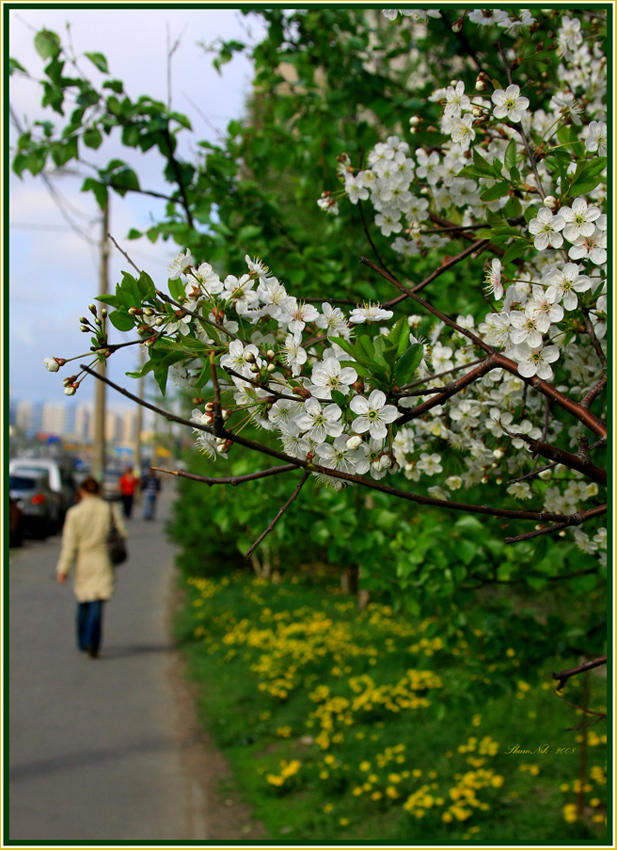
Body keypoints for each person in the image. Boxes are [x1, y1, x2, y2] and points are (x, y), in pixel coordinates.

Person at [56, 476, 126, 658]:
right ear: (98, 490)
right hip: (102, 560)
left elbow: (69, 545)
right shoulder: (108, 509)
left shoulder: (74, 513)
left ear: (82, 491)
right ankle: (93, 642)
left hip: (83, 562)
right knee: (98, 601)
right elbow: (123, 532)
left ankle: (82, 640)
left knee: (83, 600)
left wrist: (63, 569)